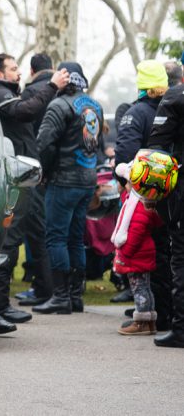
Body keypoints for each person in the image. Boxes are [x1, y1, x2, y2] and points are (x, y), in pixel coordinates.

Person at [0, 53, 69, 332]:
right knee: (7, 240)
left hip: (21, 175)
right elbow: (26, 111)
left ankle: (0, 304)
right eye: (12, 68)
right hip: (10, 178)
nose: (18, 72)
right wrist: (53, 85)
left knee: (13, 239)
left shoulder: (6, 91)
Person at [34, 62, 103, 315]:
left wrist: (43, 171)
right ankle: (75, 297)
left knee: (56, 237)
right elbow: (95, 143)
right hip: (87, 179)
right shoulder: (94, 105)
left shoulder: (58, 105)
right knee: (75, 238)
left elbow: (43, 144)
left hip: (63, 179)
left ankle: (61, 297)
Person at [113, 61, 171, 328]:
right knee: (167, 251)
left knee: (142, 251)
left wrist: (123, 178)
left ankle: (151, 311)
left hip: (143, 194)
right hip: (171, 190)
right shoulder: (173, 108)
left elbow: (126, 151)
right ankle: (167, 310)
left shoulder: (136, 113)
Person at [111, 152, 177, 335]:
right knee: (145, 288)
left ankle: (141, 321)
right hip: (142, 254)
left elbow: (134, 234)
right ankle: (149, 322)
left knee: (140, 290)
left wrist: (124, 254)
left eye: (127, 182)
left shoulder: (138, 207)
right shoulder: (141, 202)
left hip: (136, 256)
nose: (124, 185)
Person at [146, 65, 184, 347]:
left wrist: (150, 193)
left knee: (181, 256)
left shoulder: (176, 96)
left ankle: (181, 329)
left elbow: (157, 149)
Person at [16, 53, 57, 304]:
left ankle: (42, 287)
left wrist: (39, 170)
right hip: (65, 172)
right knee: (58, 234)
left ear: (32, 70)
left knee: (36, 231)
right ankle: (64, 288)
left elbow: (41, 138)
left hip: (35, 169)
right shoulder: (65, 93)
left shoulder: (30, 93)